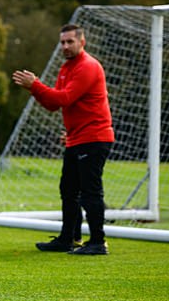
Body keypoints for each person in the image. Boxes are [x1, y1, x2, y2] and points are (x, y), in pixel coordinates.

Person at [12, 24, 114, 255]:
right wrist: (34, 89)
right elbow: (52, 104)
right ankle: (69, 238)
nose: (65, 46)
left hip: (94, 138)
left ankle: (98, 242)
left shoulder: (88, 66)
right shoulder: (66, 68)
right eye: (62, 42)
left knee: (90, 191)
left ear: (82, 41)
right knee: (68, 189)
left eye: (70, 41)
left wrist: (35, 85)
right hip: (76, 138)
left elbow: (65, 98)